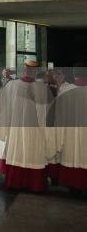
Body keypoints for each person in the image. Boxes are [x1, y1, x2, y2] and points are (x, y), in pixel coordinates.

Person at [0, 61, 54, 192]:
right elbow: (47, 112)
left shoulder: (12, 85)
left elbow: (4, 107)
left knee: (17, 150)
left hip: (16, 126)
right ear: (35, 72)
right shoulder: (42, 88)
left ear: (23, 70)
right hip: (34, 128)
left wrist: (5, 125)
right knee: (33, 151)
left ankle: (15, 182)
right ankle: (34, 184)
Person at [49, 64, 87, 194]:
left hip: (70, 135)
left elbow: (60, 118)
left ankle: (73, 186)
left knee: (72, 156)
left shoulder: (66, 91)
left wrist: (58, 139)